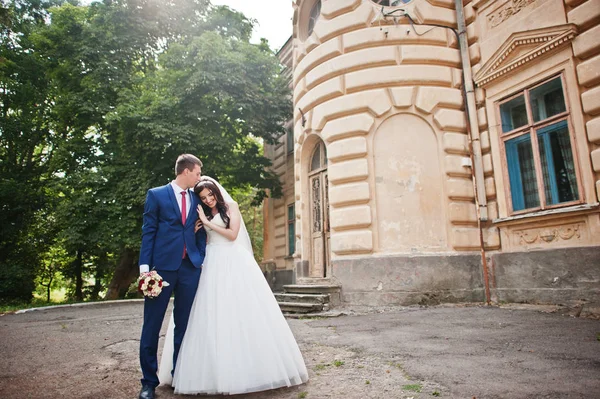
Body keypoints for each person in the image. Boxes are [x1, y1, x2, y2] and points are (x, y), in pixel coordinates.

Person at [158, 178, 309, 395]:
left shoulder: (231, 207)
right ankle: (206, 372)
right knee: (207, 312)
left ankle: (250, 370)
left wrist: (207, 223)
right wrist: (196, 229)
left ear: (217, 192)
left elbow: (232, 235)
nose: (208, 200)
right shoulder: (203, 213)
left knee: (240, 309)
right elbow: (204, 241)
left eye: (210, 195)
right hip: (211, 261)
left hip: (233, 260)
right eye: (203, 198)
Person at [137, 154, 207, 399]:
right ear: (186, 171)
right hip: (161, 269)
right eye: (198, 173)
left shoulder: (197, 197)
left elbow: (200, 232)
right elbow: (149, 232)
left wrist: (200, 256)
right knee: (152, 325)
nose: (200, 177)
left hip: (190, 269)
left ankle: (180, 373)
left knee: (185, 324)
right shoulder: (156, 195)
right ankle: (148, 383)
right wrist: (145, 270)